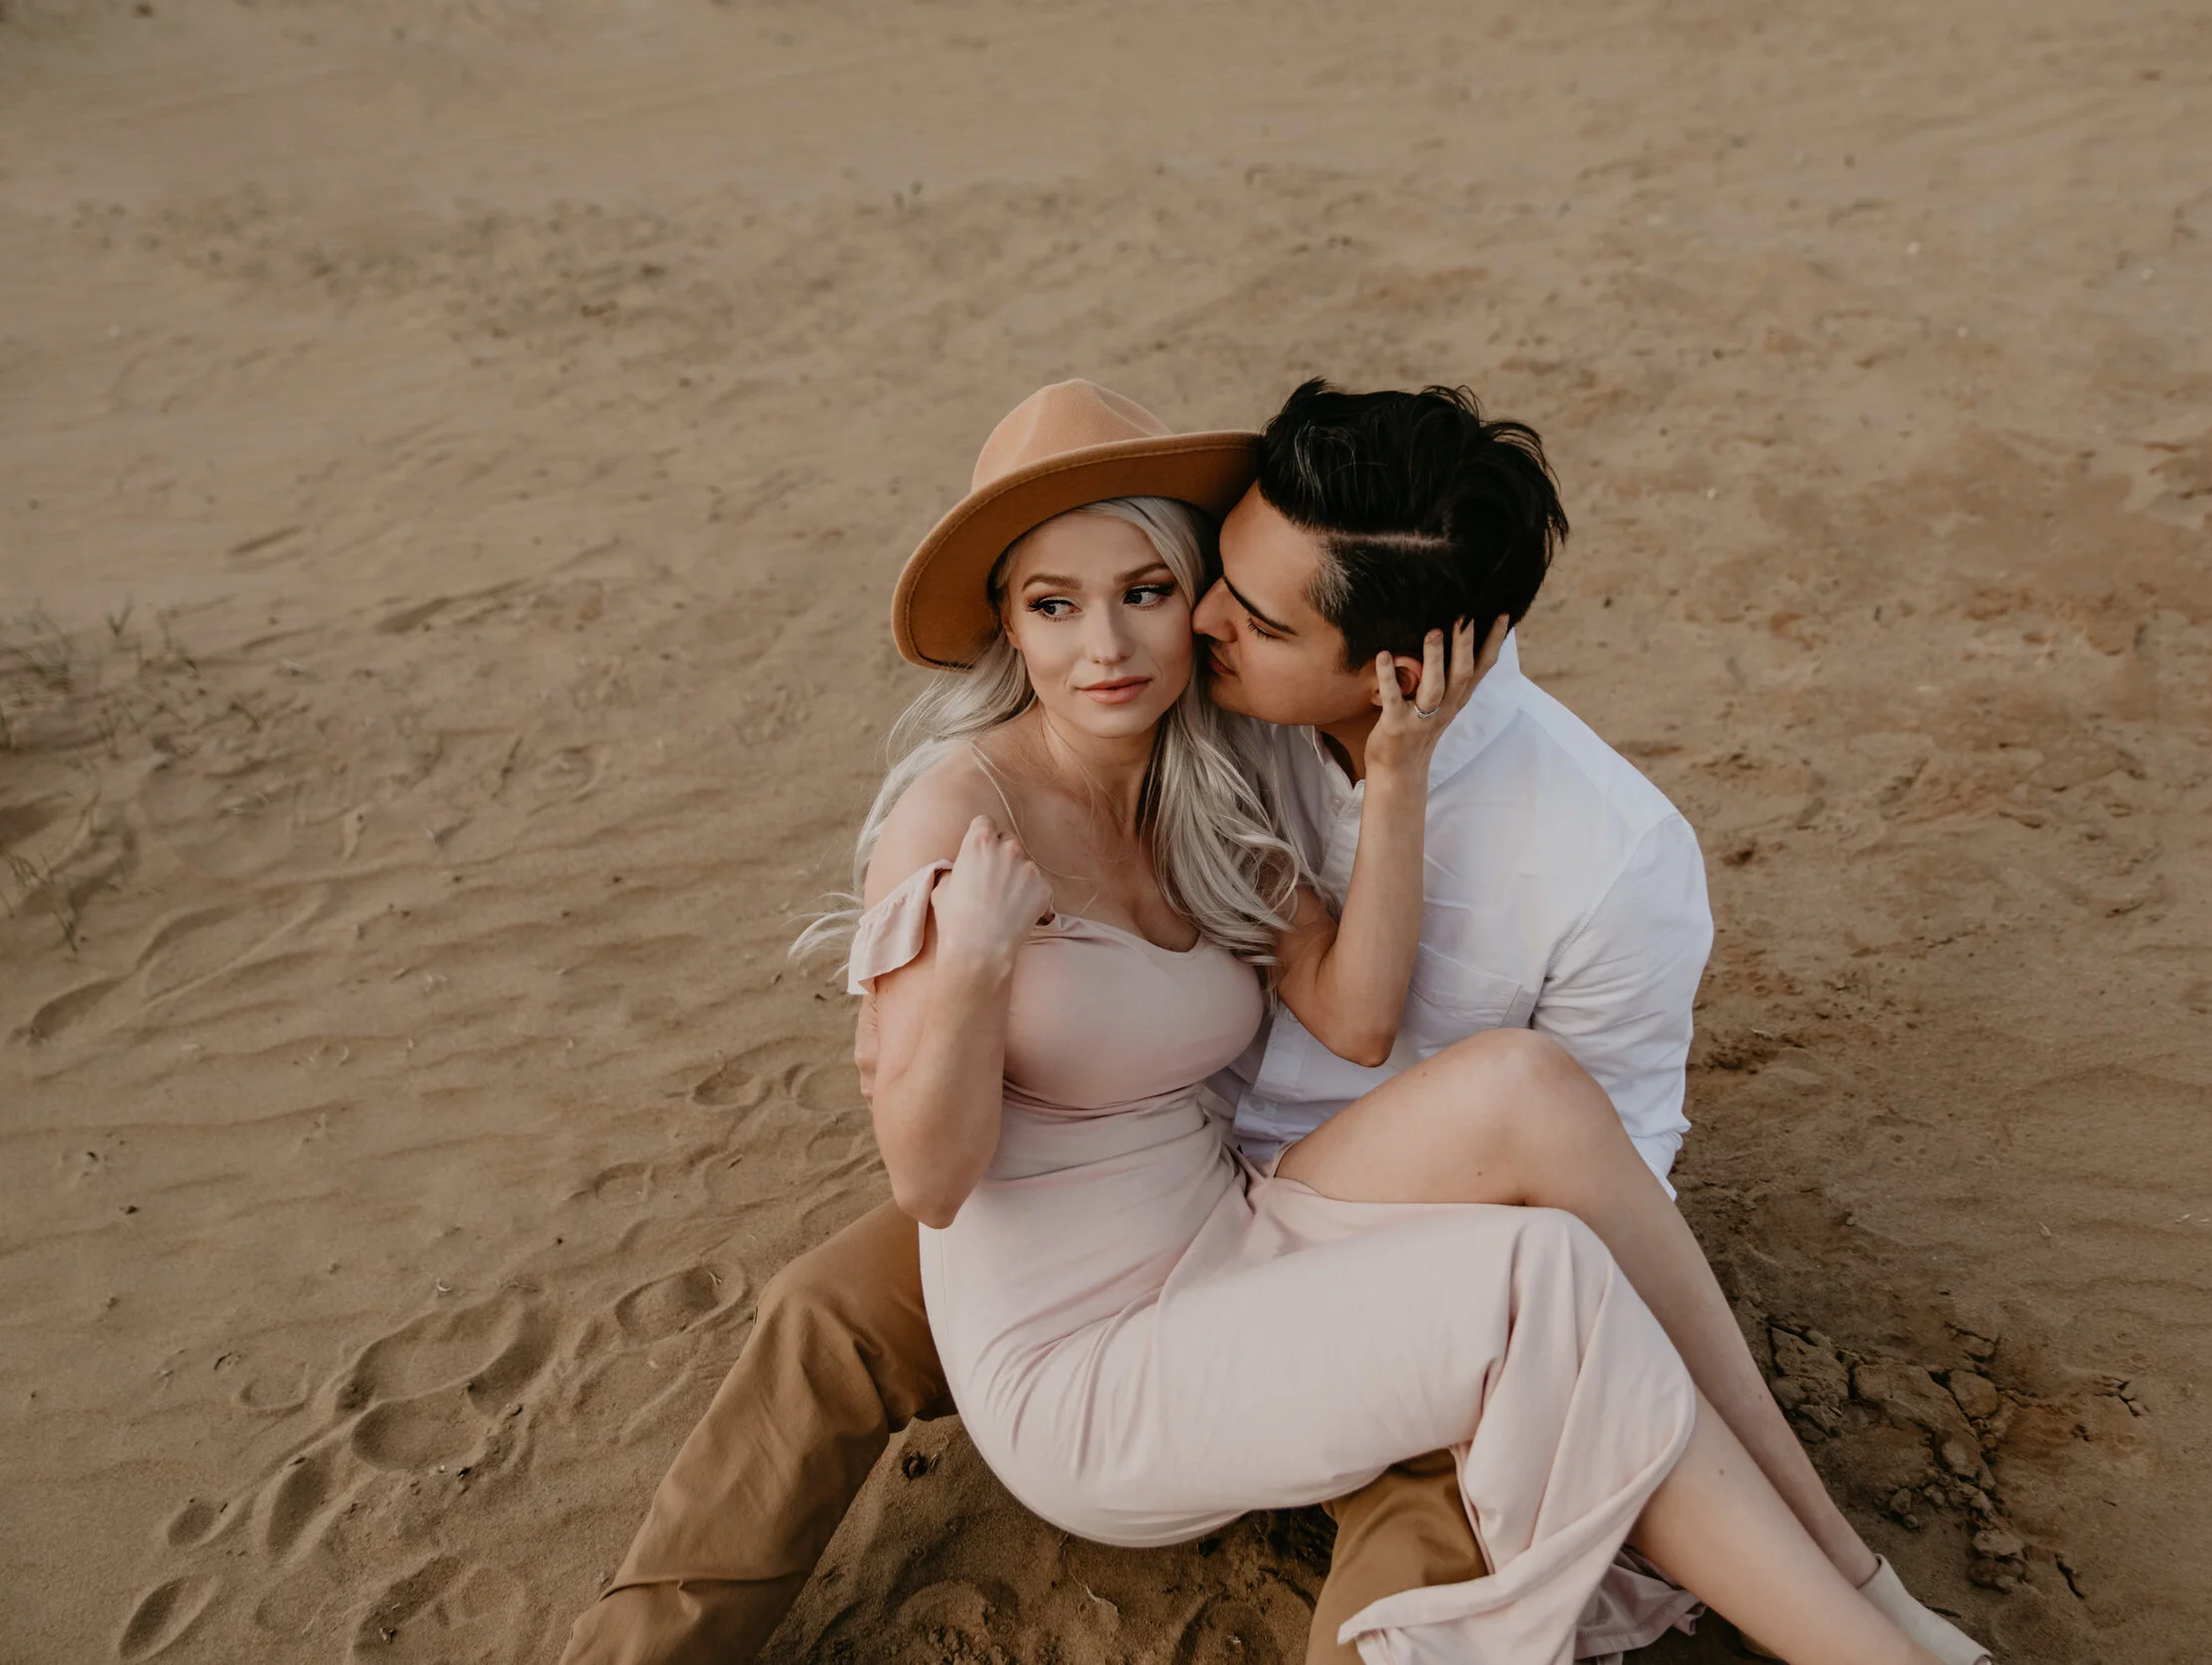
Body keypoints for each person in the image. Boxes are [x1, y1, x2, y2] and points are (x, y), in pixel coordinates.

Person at [557, 382, 1990, 1665]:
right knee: (826, 1309)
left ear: (1378, 665)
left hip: (1272, 1219)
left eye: (1154, 592)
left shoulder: (1280, 774)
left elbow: (1398, 1045)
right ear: (1009, 615)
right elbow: (927, 1177)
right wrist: (975, 969)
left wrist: (1400, 777)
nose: (1144, 639)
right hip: (1091, 1322)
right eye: (1054, 603)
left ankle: (1849, 1578)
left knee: (1535, 1154)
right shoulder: (1039, 779)